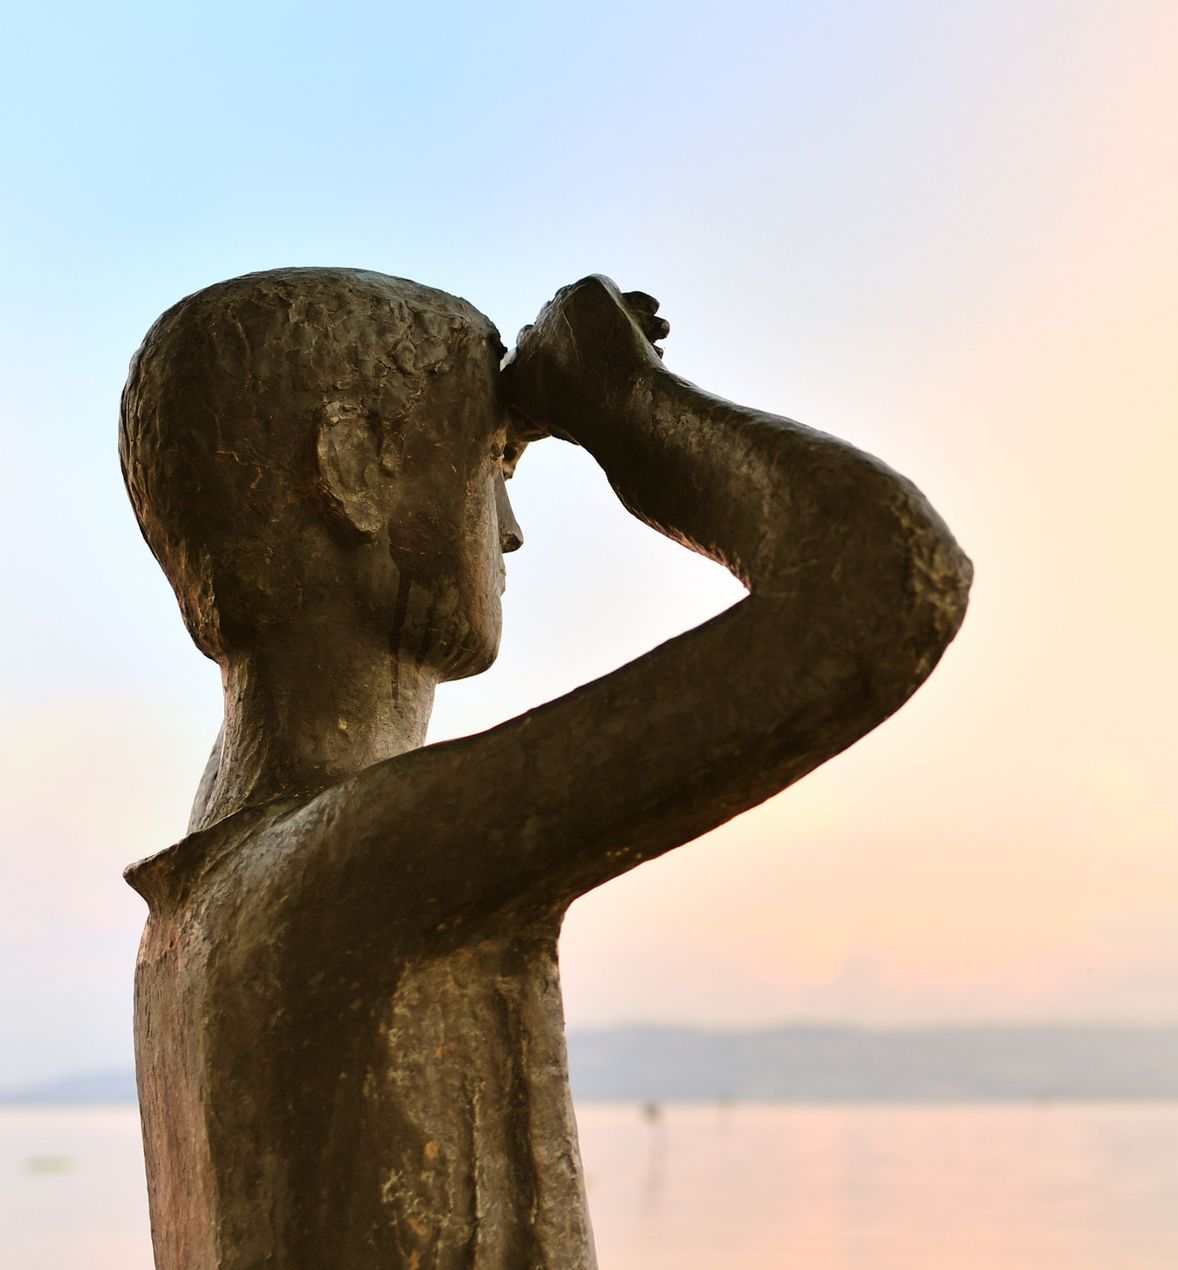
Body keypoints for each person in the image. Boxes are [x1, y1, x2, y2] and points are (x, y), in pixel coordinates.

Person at [119, 268, 970, 1268]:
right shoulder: (359, 865)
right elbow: (886, 582)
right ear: (350, 468)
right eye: (493, 464)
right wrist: (629, 407)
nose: (511, 530)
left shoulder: (196, 916)